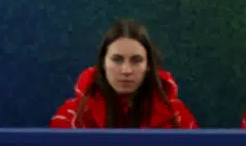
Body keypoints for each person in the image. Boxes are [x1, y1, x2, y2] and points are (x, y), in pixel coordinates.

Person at [51, 19, 198, 128]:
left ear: (148, 65)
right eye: (117, 60)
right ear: (103, 63)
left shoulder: (177, 116)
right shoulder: (71, 116)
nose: (126, 70)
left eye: (136, 60)